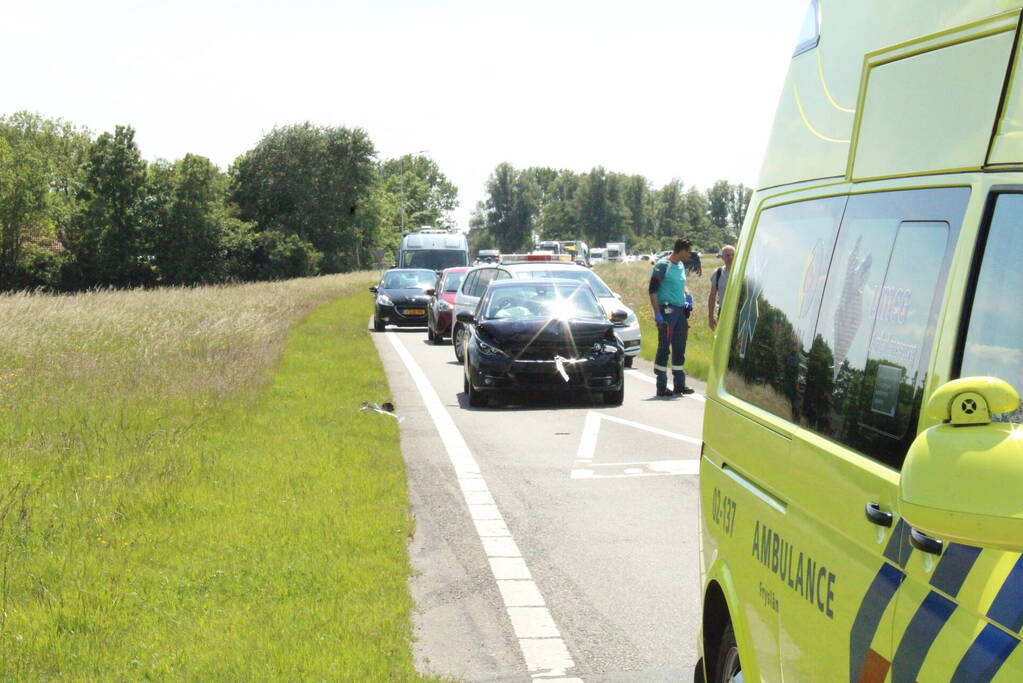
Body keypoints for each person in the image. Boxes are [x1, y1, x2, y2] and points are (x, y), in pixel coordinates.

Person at [649, 237, 695, 397]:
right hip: (667, 311)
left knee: (680, 347)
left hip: (680, 312)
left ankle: (679, 384)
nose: (689, 255)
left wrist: (688, 296)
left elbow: (682, 284)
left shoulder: (680, 265)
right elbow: (652, 291)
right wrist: (657, 313)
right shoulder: (663, 265)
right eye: (688, 252)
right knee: (664, 348)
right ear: (681, 250)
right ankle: (661, 385)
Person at [707, 244, 735, 332]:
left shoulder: (743, 273)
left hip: (739, 311)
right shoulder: (718, 273)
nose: (730, 257)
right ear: (722, 257)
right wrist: (710, 317)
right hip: (723, 312)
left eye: (733, 255)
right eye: (727, 255)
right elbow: (712, 296)